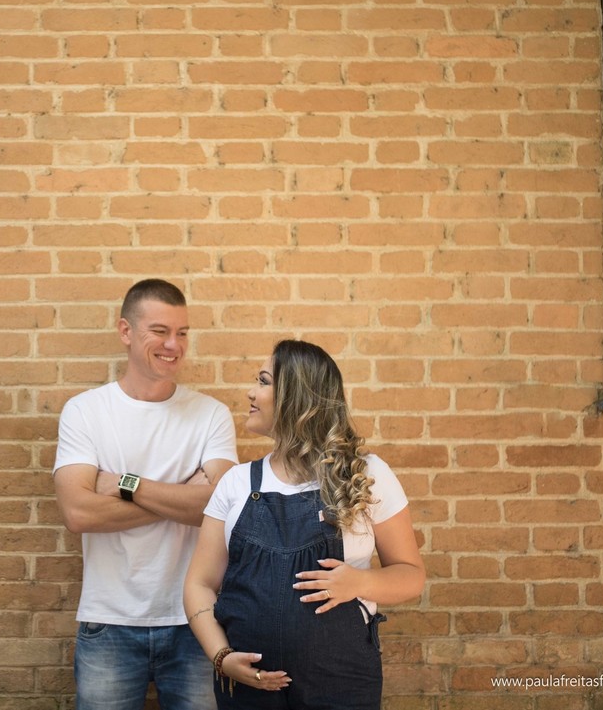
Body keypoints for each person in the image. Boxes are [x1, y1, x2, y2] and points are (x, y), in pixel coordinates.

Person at [183, 340, 425, 710]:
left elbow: (411, 575)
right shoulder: (237, 483)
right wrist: (222, 657)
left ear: (298, 398)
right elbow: (199, 583)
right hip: (250, 691)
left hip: (343, 685)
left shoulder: (365, 475)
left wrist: (360, 582)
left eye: (264, 382)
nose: (251, 392)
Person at [55, 278, 239, 710]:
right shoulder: (85, 411)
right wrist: (184, 498)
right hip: (109, 621)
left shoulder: (210, 414)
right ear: (126, 332)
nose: (173, 345)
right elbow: (78, 513)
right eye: (159, 331)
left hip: (196, 621)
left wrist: (123, 484)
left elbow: (222, 508)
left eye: (182, 333)